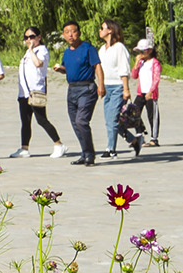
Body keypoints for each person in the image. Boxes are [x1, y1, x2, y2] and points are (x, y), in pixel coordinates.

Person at [10, 27, 65, 158]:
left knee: (41, 119)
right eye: (26, 37)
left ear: (39, 37)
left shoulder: (42, 50)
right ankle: (24, 148)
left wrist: (30, 50)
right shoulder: (28, 52)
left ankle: (59, 144)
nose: (29, 40)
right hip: (24, 92)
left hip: (36, 91)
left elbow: (38, 64)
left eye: (32, 36)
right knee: (26, 120)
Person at [53, 21, 102, 165]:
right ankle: (85, 153)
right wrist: (60, 69)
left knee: (81, 121)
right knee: (75, 123)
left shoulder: (88, 48)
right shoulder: (67, 51)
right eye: (67, 32)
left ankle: (90, 154)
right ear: (63, 35)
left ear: (79, 33)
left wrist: (101, 85)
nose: (70, 35)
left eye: (73, 31)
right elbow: (67, 69)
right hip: (72, 89)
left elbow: (97, 66)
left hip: (86, 88)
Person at [97, 20, 131, 157]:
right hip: (106, 87)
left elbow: (124, 69)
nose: (100, 30)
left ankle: (111, 149)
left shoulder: (119, 48)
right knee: (110, 121)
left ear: (110, 30)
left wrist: (126, 89)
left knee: (112, 120)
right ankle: (133, 140)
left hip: (118, 87)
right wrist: (100, 85)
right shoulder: (102, 49)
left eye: (102, 28)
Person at [133, 38, 162, 146]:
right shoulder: (141, 63)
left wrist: (151, 91)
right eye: (139, 52)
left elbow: (156, 78)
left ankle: (154, 138)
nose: (141, 54)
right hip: (141, 93)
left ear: (149, 51)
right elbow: (134, 76)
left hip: (151, 93)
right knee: (133, 113)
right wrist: (136, 63)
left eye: (142, 51)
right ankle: (140, 134)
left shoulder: (155, 63)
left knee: (152, 116)